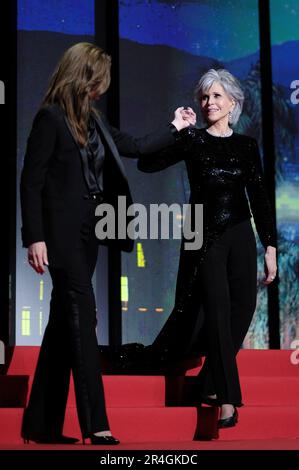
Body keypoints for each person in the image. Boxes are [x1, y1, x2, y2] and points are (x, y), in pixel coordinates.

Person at [20, 42, 195, 445]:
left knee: (63, 325)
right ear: (84, 76)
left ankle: (41, 426)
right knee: (83, 319)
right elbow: (31, 182)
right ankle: (96, 423)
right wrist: (35, 237)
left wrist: (175, 127)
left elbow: (134, 146)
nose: (102, 88)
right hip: (60, 236)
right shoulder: (49, 119)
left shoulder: (95, 122)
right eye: (99, 80)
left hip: (90, 234)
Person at [138, 68, 277, 429]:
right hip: (204, 235)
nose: (209, 103)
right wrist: (175, 129)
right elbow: (146, 163)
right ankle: (228, 400)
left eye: (216, 96)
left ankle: (208, 385)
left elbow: (259, 198)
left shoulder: (246, 146)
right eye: (204, 97)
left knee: (242, 308)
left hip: (240, 233)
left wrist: (270, 245)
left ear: (233, 102)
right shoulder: (193, 140)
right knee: (216, 311)